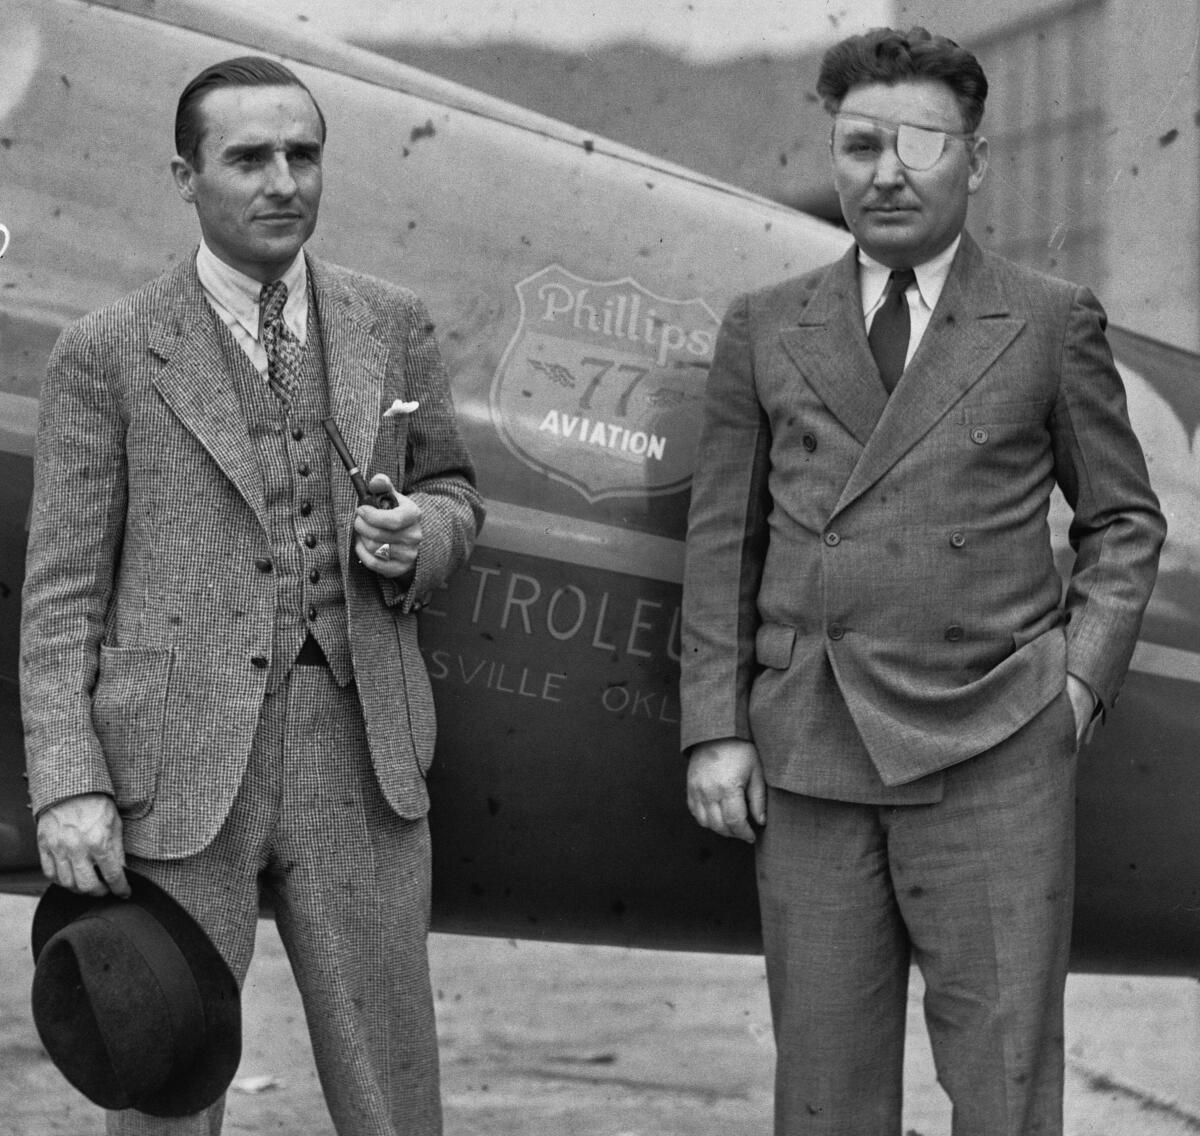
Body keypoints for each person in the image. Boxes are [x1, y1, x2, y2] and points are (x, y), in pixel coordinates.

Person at [680, 26, 1165, 1136]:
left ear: (976, 161)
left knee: (1002, 1088)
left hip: (995, 748)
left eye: (919, 145)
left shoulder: (1048, 319)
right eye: (859, 145)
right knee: (824, 1093)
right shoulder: (765, 325)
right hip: (813, 749)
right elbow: (723, 546)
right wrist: (714, 724)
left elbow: (1124, 522)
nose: (885, 173)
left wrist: (1073, 689)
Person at [20, 56, 484, 1136]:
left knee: (394, 1095)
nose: (283, 180)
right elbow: (61, 597)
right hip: (173, 773)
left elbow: (457, 487)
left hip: (360, 755)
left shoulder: (391, 322)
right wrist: (68, 785)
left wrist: (426, 536)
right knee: (163, 1079)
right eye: (249, 157)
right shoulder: (107, 353)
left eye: (302, 154)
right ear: (186, 175)